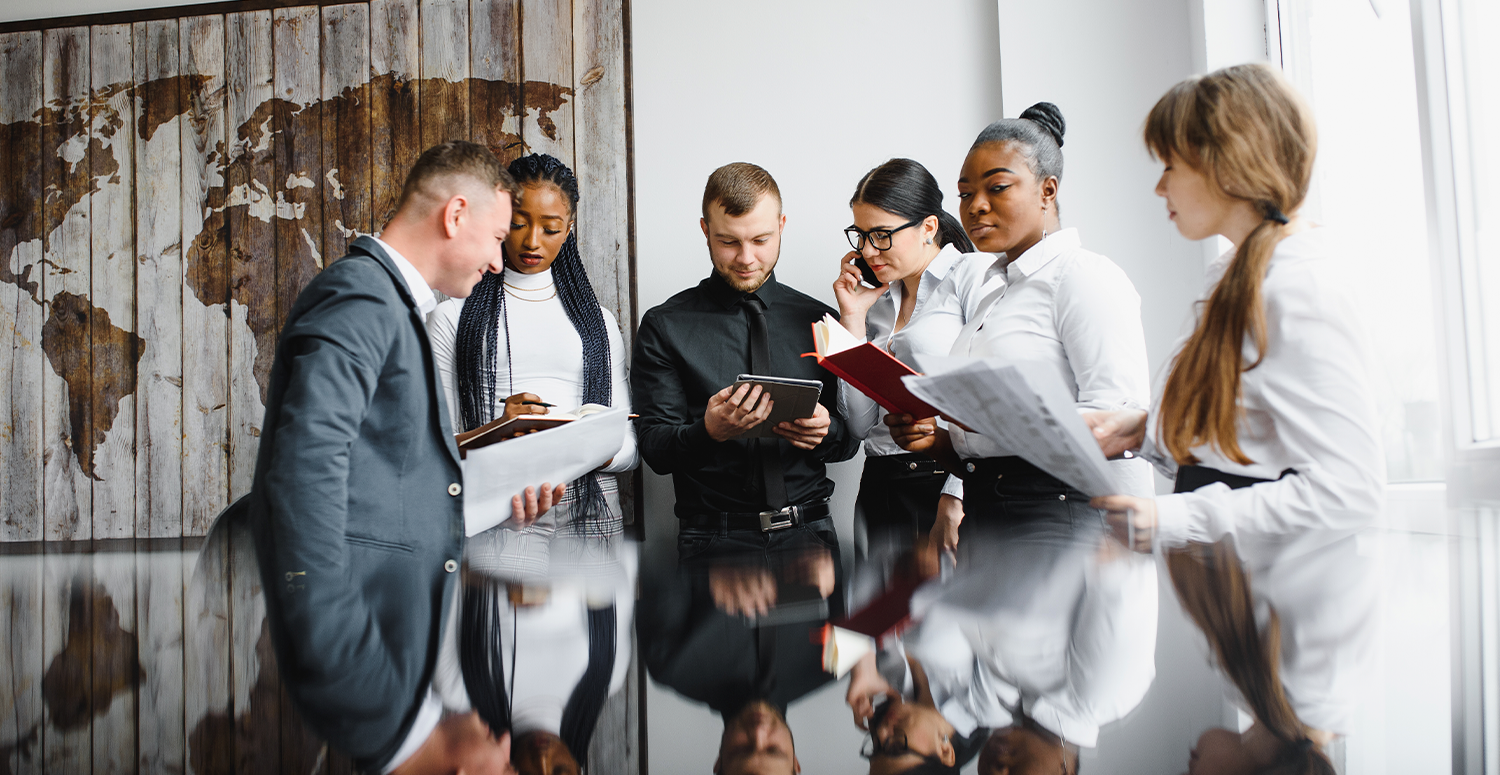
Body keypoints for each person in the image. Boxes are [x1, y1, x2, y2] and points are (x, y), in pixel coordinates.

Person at [1086, 63, 1383, 771]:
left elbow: (1350, 489)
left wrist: (1177, 520)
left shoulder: (1295, 285)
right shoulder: (1241, 276)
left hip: (1288, 581)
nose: (1159, 186)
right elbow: (1247, 440)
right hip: (1253, 583)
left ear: (1227, 164)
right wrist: (1146, 430)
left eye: (1170, 165)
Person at [246, 141, 562, 775]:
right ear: (455, 216)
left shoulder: (376, 710)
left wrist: (495, 501)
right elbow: (309, 463)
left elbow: (383, 477)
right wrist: (314, 597)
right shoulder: (364, 296)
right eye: (497, 237)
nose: (499, 261)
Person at [889, 103, 1152, 537]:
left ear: (1048, 191)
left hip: (1063, 518)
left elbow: (1119, 423)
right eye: (966, 193)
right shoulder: (994, 292)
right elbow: (986, 452)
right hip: (990, 514)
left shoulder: (1084, 276)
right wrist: (934, 440)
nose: (976, 206)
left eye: (997, 188)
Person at [632, 162, 859, 554]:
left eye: (761, 239)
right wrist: (708, 431)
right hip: (711, 539)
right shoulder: (664, 326)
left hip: (811, 534)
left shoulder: (823, 320)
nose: (746, 257)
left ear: (782, 225)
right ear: (705, 230)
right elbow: (654, 448)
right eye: (728, 241)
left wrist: (828, 432)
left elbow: (848, 443)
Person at [429, 152, 637, 565]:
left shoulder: (598, 323)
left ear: (570, 229)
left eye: (551, 228)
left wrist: (579, 438)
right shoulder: (452, 315)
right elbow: (435, 449)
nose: (532, 242)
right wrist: (501, 430)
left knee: (600, 630)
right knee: (502, 627)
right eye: (520, 224)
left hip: (592, 504)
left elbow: (629, 449)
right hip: (502, 503)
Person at [832, 158, 977, 566]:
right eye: (860, 236)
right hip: (880, 482)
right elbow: (860, 426)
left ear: (928, 227)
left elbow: (987, 403)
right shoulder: (876, 303)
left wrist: (956, 493)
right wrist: (853, 316)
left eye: (881, 235)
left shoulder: (970, 276)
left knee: (948, 625)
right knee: (877, 623)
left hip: (945, 479)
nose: (867, 251)